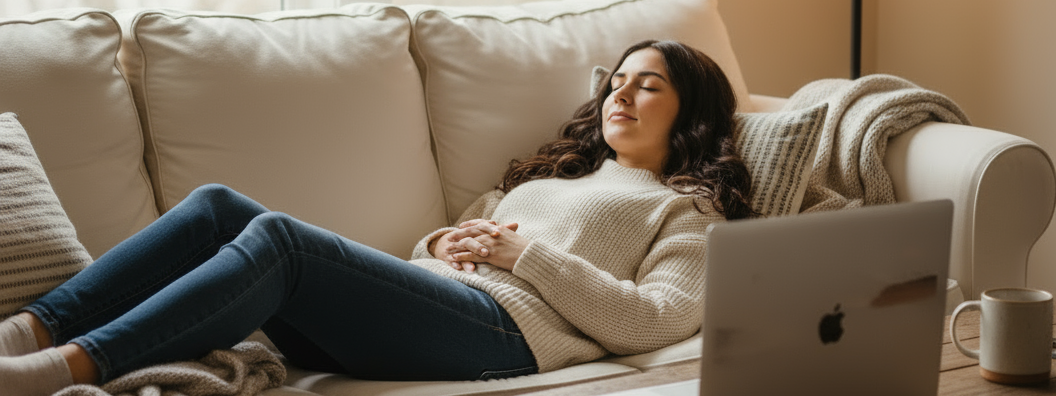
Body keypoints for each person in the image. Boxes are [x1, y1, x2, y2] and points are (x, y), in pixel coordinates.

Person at [0, 39, 754, 395]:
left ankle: (59, 371)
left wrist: (524, 260)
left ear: (693, 107)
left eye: (647, 86)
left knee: (280, 242)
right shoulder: (559, 173)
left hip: (506, 335)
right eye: (616, 82)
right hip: (442, 304)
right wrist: (448, 239)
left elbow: (656, 318)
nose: (620, 94)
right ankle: (28, 329)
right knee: (217, 207)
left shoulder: (687, 210)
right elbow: (457, 236)